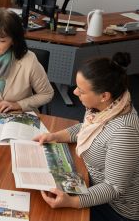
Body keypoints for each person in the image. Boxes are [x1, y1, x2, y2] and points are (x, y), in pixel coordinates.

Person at [33, 52, 139, 221]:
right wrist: (54, 136)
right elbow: (87, 128)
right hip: (92, 182)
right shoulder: (105, 106)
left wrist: (72, 201)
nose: (75, 92)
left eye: (81, 91)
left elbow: (113, 188)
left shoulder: (124, 132)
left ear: (104, 95)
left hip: (115, 209)